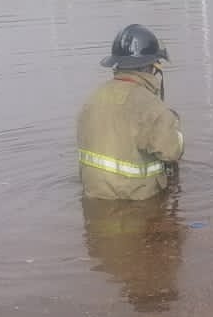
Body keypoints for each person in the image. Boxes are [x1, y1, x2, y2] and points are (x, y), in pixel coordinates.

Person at [76, 24, 184, 200]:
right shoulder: (152, 107)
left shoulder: (92, 99)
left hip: (94, 197)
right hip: (139, 201)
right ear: (151, 67)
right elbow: (171, 152)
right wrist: (175, 129)